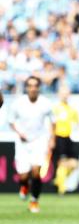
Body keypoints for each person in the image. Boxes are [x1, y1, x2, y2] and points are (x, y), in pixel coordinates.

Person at [9, 76, 55, 213]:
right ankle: (24, 186)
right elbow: (11, 121)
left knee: (36, 172)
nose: (33, 88)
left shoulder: (45, 103)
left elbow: (53, 122)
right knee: (23, 176)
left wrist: (52, 139)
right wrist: (19, 132)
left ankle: (34, 201)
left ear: (39, 87)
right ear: (26, 87)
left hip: (39, 140)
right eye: (30, 85)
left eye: (35, 85)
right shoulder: (18, 103)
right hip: (23, 142)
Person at [52, 85, 79, 195]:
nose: (65, 95)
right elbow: (50, 125)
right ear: (59, 94)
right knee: (62, 163)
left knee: (75, 164)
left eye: (67, 93)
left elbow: (78, 125)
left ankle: (58, 180)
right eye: (63, 93)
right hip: (59, 138)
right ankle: (62, 189)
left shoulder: (72, 110)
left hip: (69, 138)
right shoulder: (55, 109)